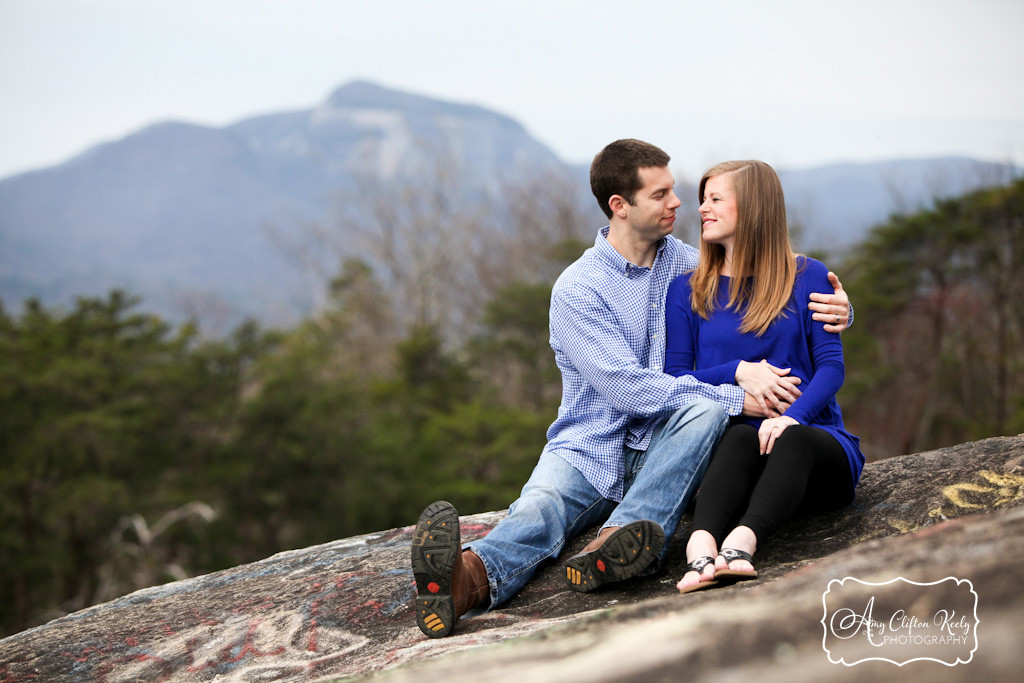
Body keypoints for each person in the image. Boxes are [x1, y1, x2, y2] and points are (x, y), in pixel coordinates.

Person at [411, 141, 853, 638]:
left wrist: (839, 310)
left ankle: (619, 546)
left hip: (673, 443)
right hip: (593, 444)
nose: (679, 203)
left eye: (675, 190)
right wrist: (736, 387)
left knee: (704, 414)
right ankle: (461, 583)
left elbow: (757, 287)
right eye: (661, 194)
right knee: (539, 510)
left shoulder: (690, 265)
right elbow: (627, 390)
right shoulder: (579, 289)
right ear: (620, 206)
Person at [664, 160, 865, 594]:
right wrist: (736, 375)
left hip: (811, 445)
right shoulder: (686, 290)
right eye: (703, 199)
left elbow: (831, 368)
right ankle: (700, 551)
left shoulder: (807, 275)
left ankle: (740, 545)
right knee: (739, 438)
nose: (703, 209)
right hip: (736, 457)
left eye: (716, 199)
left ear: (753, 207)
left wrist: (792, 416)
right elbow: (677, 378)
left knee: (790, 440)